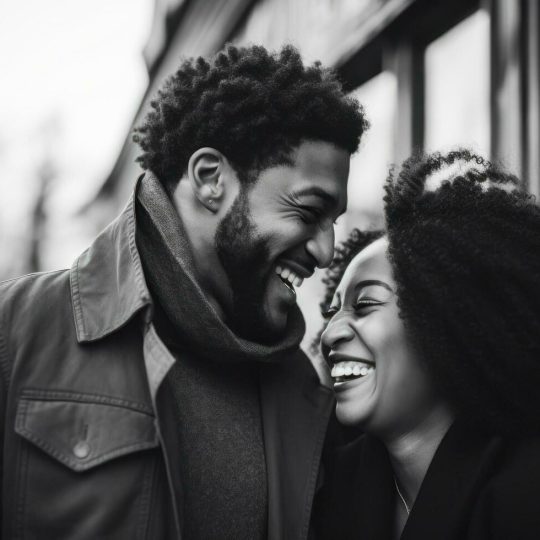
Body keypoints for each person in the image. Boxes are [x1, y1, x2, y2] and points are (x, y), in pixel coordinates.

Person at [0, 44, 367, 539]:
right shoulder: (19, 331)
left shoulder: (305, 393)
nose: (326, 251)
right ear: (210, 179)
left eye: (334, 223)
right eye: (307, 212)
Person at [315, 149, 540, 540]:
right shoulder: (330, 489)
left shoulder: (525, 490)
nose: (330, 334)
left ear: (446, 323)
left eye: (365, 304)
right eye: (333, 312)